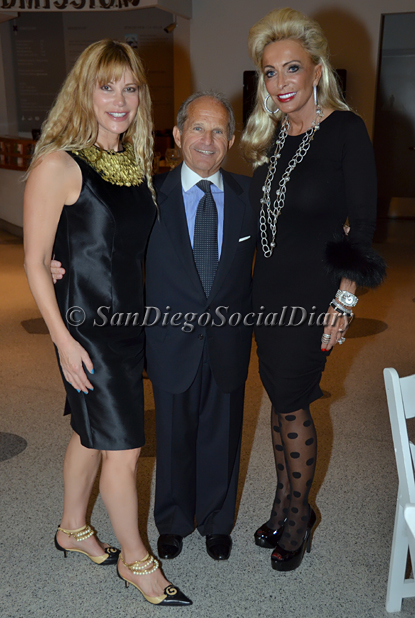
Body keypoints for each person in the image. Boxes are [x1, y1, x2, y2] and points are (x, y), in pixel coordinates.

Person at [24, 39, 191, 607]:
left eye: (130, 87)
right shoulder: (58, 163)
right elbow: (32, 260)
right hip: (86, 328)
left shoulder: (134, 161)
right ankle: (137, 562)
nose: (120, 99)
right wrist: (63, 342)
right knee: (122, 448)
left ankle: (73, 529)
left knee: (88, 432)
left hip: (129, 322)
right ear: (85, 91)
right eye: (107, 85)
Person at [240, 8, 385, 572]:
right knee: (280, 400)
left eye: (291, 69)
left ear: (317, 70)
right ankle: (283, 502)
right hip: (268, 292)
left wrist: (344, 301)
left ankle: (300, 519)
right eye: (269, 73)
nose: (280, 83)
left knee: (295, 403)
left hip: (313, 295)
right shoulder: (276, 135)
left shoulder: (345, 130)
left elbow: (363, 225)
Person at [146, 92, 257, 561]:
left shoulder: (250, 195)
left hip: (229, 338)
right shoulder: (150, 195)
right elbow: (114, 254)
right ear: (177, 135)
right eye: (197, 128)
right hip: (170, 338)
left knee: (223, 431)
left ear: (230, 140)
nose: (207, 140)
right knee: (172, 434)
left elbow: (278, 257)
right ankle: (172, 519)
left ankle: (217, 521)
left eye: (218, 131)